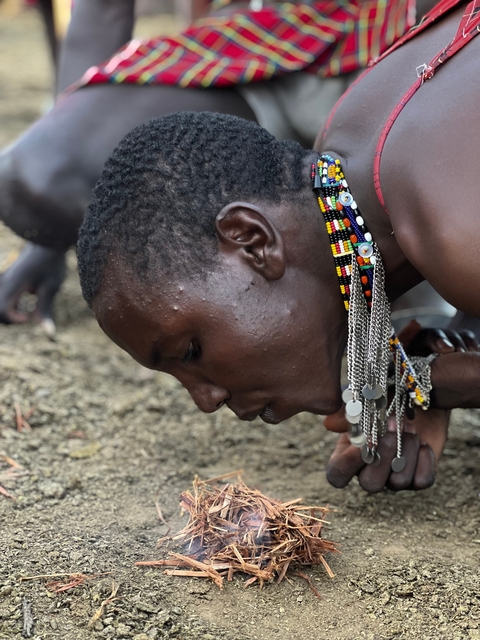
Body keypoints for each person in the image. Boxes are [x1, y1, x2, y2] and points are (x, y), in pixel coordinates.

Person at [76, 0, 480, 495]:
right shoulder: (353, 139)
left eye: (191, 350)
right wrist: (438, 351)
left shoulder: (450, 230)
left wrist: (433, 382)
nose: (206, 400)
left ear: (252, 240)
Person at [0, 0, 430, 328]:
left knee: (426, 274)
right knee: (36, 179)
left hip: (406, 39)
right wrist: (61, 230)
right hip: (256, 40)